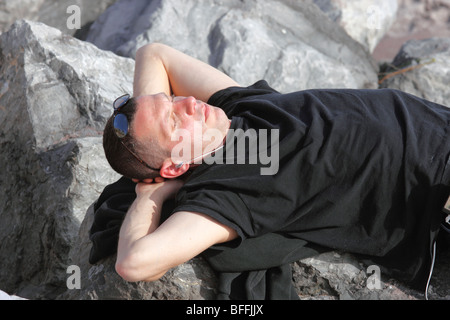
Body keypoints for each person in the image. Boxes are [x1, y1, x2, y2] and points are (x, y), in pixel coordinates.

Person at [102, 43, 450, 291]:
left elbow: (153, 54)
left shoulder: (237, 107)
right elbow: (133, 264)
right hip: (436, 189)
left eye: (173, 100)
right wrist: (152, 192)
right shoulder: (227, 193)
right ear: (176, 167)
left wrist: (151, 122)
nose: (190, 103)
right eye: (176, 123)